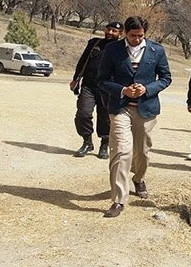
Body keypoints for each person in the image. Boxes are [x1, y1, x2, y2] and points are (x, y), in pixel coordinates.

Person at [97, 16, 172, 218]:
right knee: (121, 151)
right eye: (133, 36)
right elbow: (102, 80)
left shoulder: (157, 50)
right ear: (125, 34)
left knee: (142, 152)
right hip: (120, 109)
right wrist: (123, 90)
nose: (137, 39)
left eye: (140, 36)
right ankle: (118, 200)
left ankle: (138, 178)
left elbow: (166, 78)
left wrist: (147, 89)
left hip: (146, 109)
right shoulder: (112, 50)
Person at [71, 21, 122, 159]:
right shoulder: (94, 43)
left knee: (105, 117)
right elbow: (83, 61)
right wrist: (76, 79)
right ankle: (87, 142)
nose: (110, 33)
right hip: (89, 85)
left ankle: (104, 144)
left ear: (120, 34)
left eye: (114, 31)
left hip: (108, 88)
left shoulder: (121, 48)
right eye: (108, 29)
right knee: (83, 113)